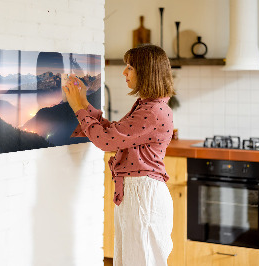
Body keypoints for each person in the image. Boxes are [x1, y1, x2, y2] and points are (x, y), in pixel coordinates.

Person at [63, 44, 175, 266]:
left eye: (130, 67)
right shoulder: (148, 106)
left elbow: (106, 141)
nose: (124, 72)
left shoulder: (152, 111)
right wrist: (84, 103)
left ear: (146, 72)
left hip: (143, 195)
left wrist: (78, 108)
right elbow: (114, 133)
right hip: (138, 193)